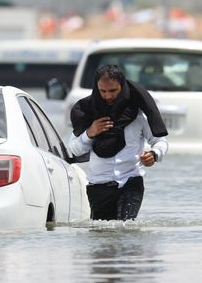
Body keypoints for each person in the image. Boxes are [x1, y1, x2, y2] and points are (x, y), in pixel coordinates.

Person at [68, 64, 168, 221]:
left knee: (126, 227)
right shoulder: (87, 113)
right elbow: (74, 150)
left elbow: (160, 140)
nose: (108, 96)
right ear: (97, 88)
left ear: (122, 87)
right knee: (102, 236)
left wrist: (154, 155)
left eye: (113, 91)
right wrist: (90, 132)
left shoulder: (137, 115)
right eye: (103, 91)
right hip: (98, 186)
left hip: (131, 181)